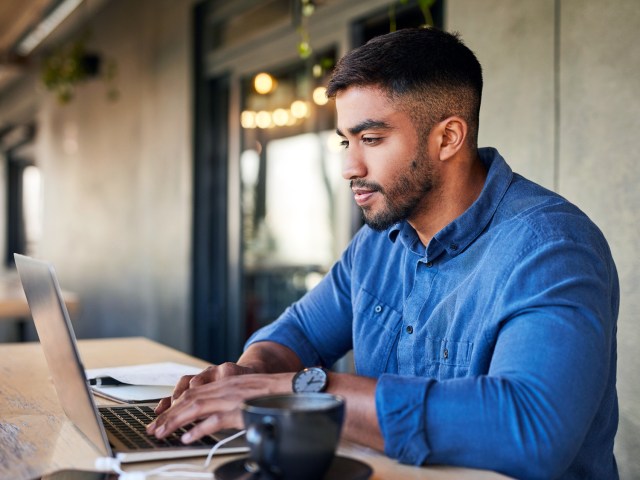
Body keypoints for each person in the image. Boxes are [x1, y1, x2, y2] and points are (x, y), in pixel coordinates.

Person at [147, 27, 619, 479]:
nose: (350, 167)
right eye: (345, 141)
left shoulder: (551, 247)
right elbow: (298, 332)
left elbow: (531, 431)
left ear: (448, 137)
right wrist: (250, 376)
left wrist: (304, 389)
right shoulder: (377, 244)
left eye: (371, 139)